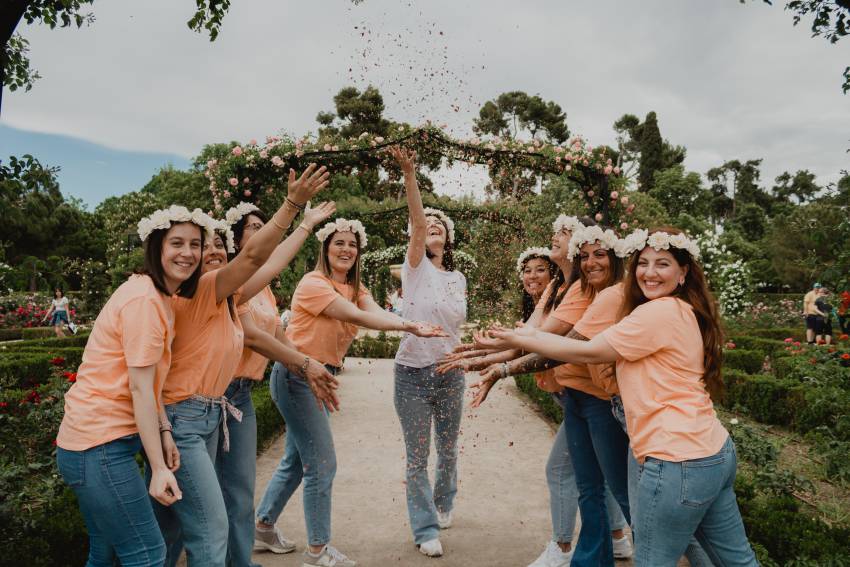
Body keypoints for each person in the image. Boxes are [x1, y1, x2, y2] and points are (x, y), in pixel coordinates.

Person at [490, 227, 759, 567]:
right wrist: (523, 337)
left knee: (652, 561)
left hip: (676, 459)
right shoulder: (682, 308)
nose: (649, 272)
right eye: (643, 263)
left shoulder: (655, 313)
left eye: (662, 264)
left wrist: (521, 338)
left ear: (683, 271)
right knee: (736, 561)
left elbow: (587, 351)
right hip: (714, 453)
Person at [152, 165, 332, 567]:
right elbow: (255, 258)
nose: (210, 251)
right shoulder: (202, 290)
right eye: (203, 245)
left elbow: (268, 265)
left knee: (195, 516)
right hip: (185, 416)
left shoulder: (223, 295)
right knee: (201, 522)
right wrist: (291, 205)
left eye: (213, 244)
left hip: (214, 411)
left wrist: (303, 225)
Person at [255, 215, 446, 567]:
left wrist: (406, 322)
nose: (346, 249)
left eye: (352, 244)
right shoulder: (314, 283)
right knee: (322, 465)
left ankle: (263, 526)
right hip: (299, 376)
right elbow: (355, 317)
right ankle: (317, 550)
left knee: (297, 462)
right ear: (325, 248)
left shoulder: (356, 289)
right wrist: (408, 326)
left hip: (320, 377)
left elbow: (373, 311)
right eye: (339, 242)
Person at [439, 220, 631, 567]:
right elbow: (533, 336)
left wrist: (498, 366)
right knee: (593, 486)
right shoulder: (568, 286)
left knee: (612, 488)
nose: (590, 261)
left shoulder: (608, 294)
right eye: (585, 255)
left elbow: (558, 346)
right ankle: (595, 555)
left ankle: (588, 548)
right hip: (576, 397)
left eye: (598, 254)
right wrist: (481, 356)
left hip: (601, 401)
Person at [55, 205, 213, 566]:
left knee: (106, 553)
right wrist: (158, 468)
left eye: (195, 244)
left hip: (90, 446)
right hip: (99, 447)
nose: (188, 253)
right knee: (147, 553)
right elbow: (140, 390)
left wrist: (165, 430)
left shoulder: (154, 295)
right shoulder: (145, 300)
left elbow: (148, 386)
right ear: (156, 246)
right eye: (176, 243)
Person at [388, 146, 469, 558]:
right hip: (412, 374)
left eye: (440, 224)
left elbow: (455, 325)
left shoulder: (457, 277)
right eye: (426, 224)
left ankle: (444, 503)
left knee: (449, 446)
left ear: (449, 237)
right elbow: (418, 223)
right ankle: (424, 528)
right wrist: (409, 176)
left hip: (451, 371)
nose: (431, 226)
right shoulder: (414, 266)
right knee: (418, 455)